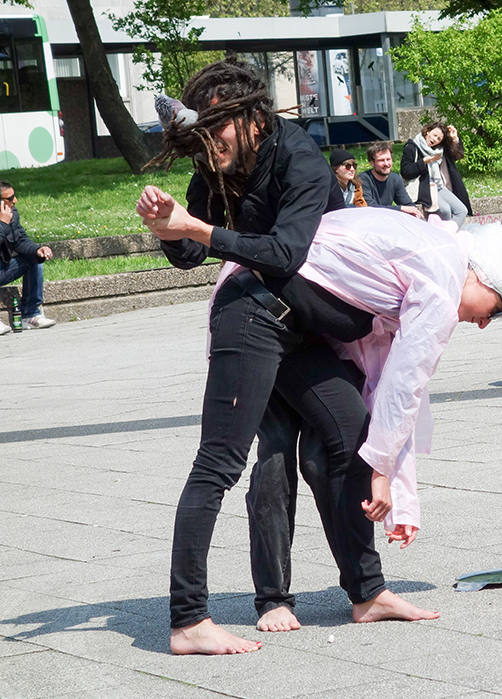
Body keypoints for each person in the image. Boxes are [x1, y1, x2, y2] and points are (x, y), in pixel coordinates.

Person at [139, 60, 356, 656]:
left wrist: (199, 232)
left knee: (349, 431)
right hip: (254, 318)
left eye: (219, 132)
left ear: (253, 119)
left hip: (313, 321)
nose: (211, 148)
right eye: (201, 137)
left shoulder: (301, 159)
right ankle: (204, 615)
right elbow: (189, 253)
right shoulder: (215, 163)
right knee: (249, 455)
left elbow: (287, 250)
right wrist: (169, 230)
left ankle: (366, 590)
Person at [245, 214, 502, 632]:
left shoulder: (438, 251)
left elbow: (386, 384)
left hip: (302, 320)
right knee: (284, 450)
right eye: (496, 310)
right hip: (261, 312)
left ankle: (358, 592)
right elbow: (403, 385)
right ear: (483, 278)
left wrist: (396, 490)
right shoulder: (443, 280)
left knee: (323, 450)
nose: (482, 324)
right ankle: (286, 599)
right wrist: (382, 473)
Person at [0, 180, 56, 332]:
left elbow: (20, 240)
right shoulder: (5, 218)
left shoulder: (12, 214)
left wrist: (38, 249)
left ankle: (30, 315)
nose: (15, 201)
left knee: (35, 258)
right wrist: (3, 224)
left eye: (14, 196)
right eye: (10, 199)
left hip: (2, 269)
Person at [400, 122, 471, 227]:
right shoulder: (412, 146)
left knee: (462, 210)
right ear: (427, 131)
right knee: (445, 210)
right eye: (434, 135)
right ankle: (445, 237)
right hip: (423, 188)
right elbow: (405, 172)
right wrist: (423, 162)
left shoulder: (438, 150)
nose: (435, 140)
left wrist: (455, 139)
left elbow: (458, 155)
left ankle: (448, 234)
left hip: (439, 186)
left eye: (439, 139)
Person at [357, 141, 420, 215]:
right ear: (372, 163)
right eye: (381, 160)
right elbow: (370, 207)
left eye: (388, 159)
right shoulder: (363, 179)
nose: (386, 164)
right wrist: (400, 208)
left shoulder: (395, 179)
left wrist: (415, 212)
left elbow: (408, 204)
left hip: (388, 219)